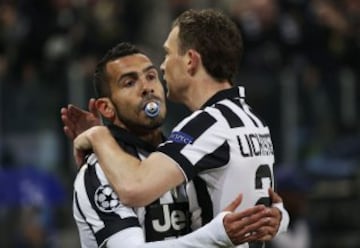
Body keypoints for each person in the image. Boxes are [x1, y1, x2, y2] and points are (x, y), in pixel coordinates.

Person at [73, 9, 289, 247]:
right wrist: (280, 216)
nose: (161, 69)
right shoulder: (251, 121)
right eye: (130, 82)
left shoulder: (206, 126)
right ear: (106, 107)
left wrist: (98, 136)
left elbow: (134, 186)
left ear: (190, 60)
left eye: (165, 56)